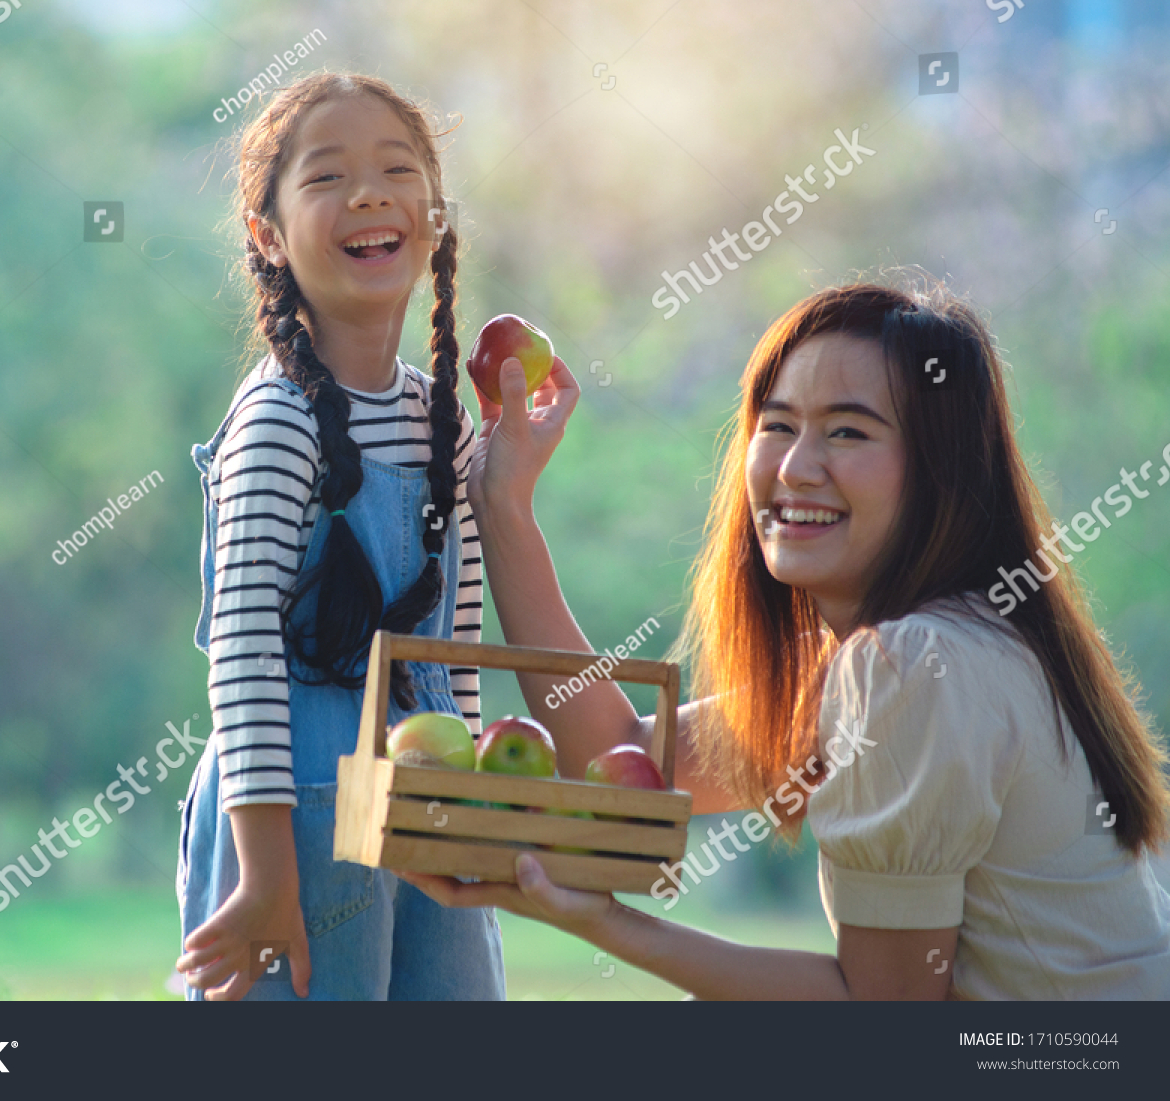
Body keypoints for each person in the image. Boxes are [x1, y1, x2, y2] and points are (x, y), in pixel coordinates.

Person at [399, 280, 1170, 999]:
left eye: (847, 431)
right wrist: (504, 506)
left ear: (942, 472)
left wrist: (596, 918)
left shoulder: (913, 667)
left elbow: (879, 1019)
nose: (797, 467)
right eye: (778, 425)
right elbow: (624, 753)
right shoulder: (946, 642)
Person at [174, 73, 508, 1000]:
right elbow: (242, 648)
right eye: (327, 177)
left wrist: (474, 818)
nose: (367, 193)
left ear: (433, 218)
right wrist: (265, 872)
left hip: (426, 791)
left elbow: (457, 646)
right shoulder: (278, 418)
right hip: (294, 819)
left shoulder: (446, 423)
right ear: (268, 236)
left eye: (396, 170)